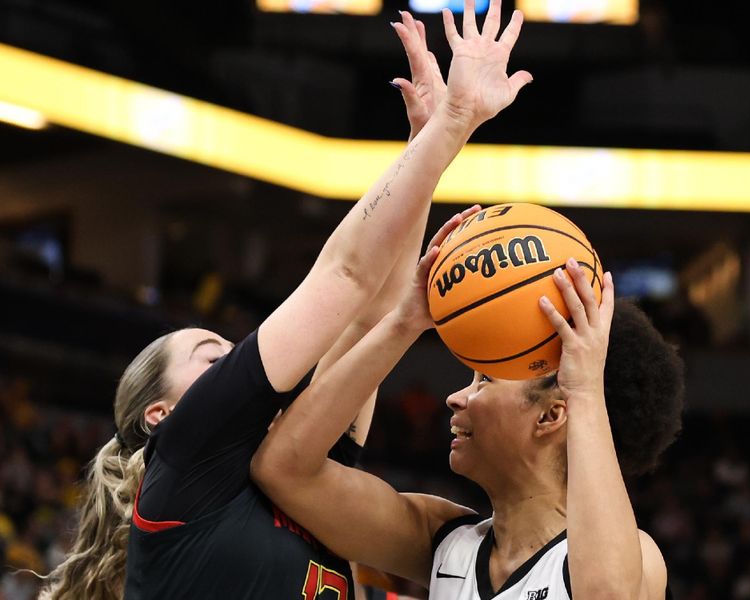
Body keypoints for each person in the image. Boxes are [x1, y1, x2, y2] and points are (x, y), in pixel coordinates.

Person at [36, 0, 533, 596]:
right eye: (215, 359)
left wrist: (424, 148)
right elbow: (347, 277)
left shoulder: (301, 474)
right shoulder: (188, 460)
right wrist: (452, 123)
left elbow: (374, 312)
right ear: (162, 416)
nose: (238, 360)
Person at [251, 10, 684, 597]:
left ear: (553, 413)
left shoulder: (634, 556)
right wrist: (406, 316)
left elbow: (604, 593)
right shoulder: (444, 541)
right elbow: (285, 466)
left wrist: (584, 385)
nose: (455, 394)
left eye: (483, 378)